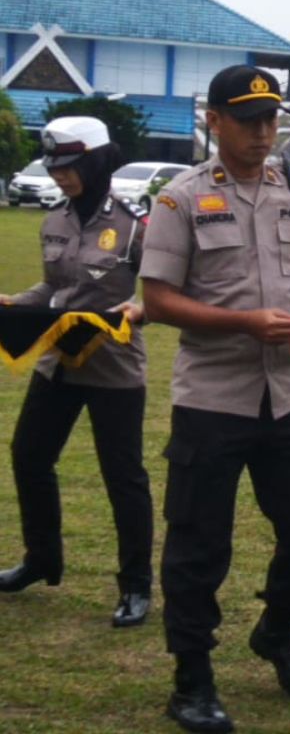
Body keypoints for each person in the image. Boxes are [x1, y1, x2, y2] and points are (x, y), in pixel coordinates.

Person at [139, 65, 290, 734]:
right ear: (213, 119)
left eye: (270, 118)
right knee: (199, 547)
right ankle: (191, 678)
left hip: (289, 393)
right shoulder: (181, 198)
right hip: (214, 397)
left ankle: (278, 631)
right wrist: (245, 322)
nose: (261, 131)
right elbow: (158, 299)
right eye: (246, 117)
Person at [0, 116, 153, 628]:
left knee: (123, 477)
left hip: (113, 366)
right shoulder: (55, 220)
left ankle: (135, 585)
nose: (61, 175)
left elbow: (159, 291)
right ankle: (42, 558)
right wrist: (16, 303)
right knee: (29, 456)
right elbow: (53, 290)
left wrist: (137, 311)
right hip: (57, 362)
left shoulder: (136, 224)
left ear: (97, 161)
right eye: (54, 166)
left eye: (70, 165)